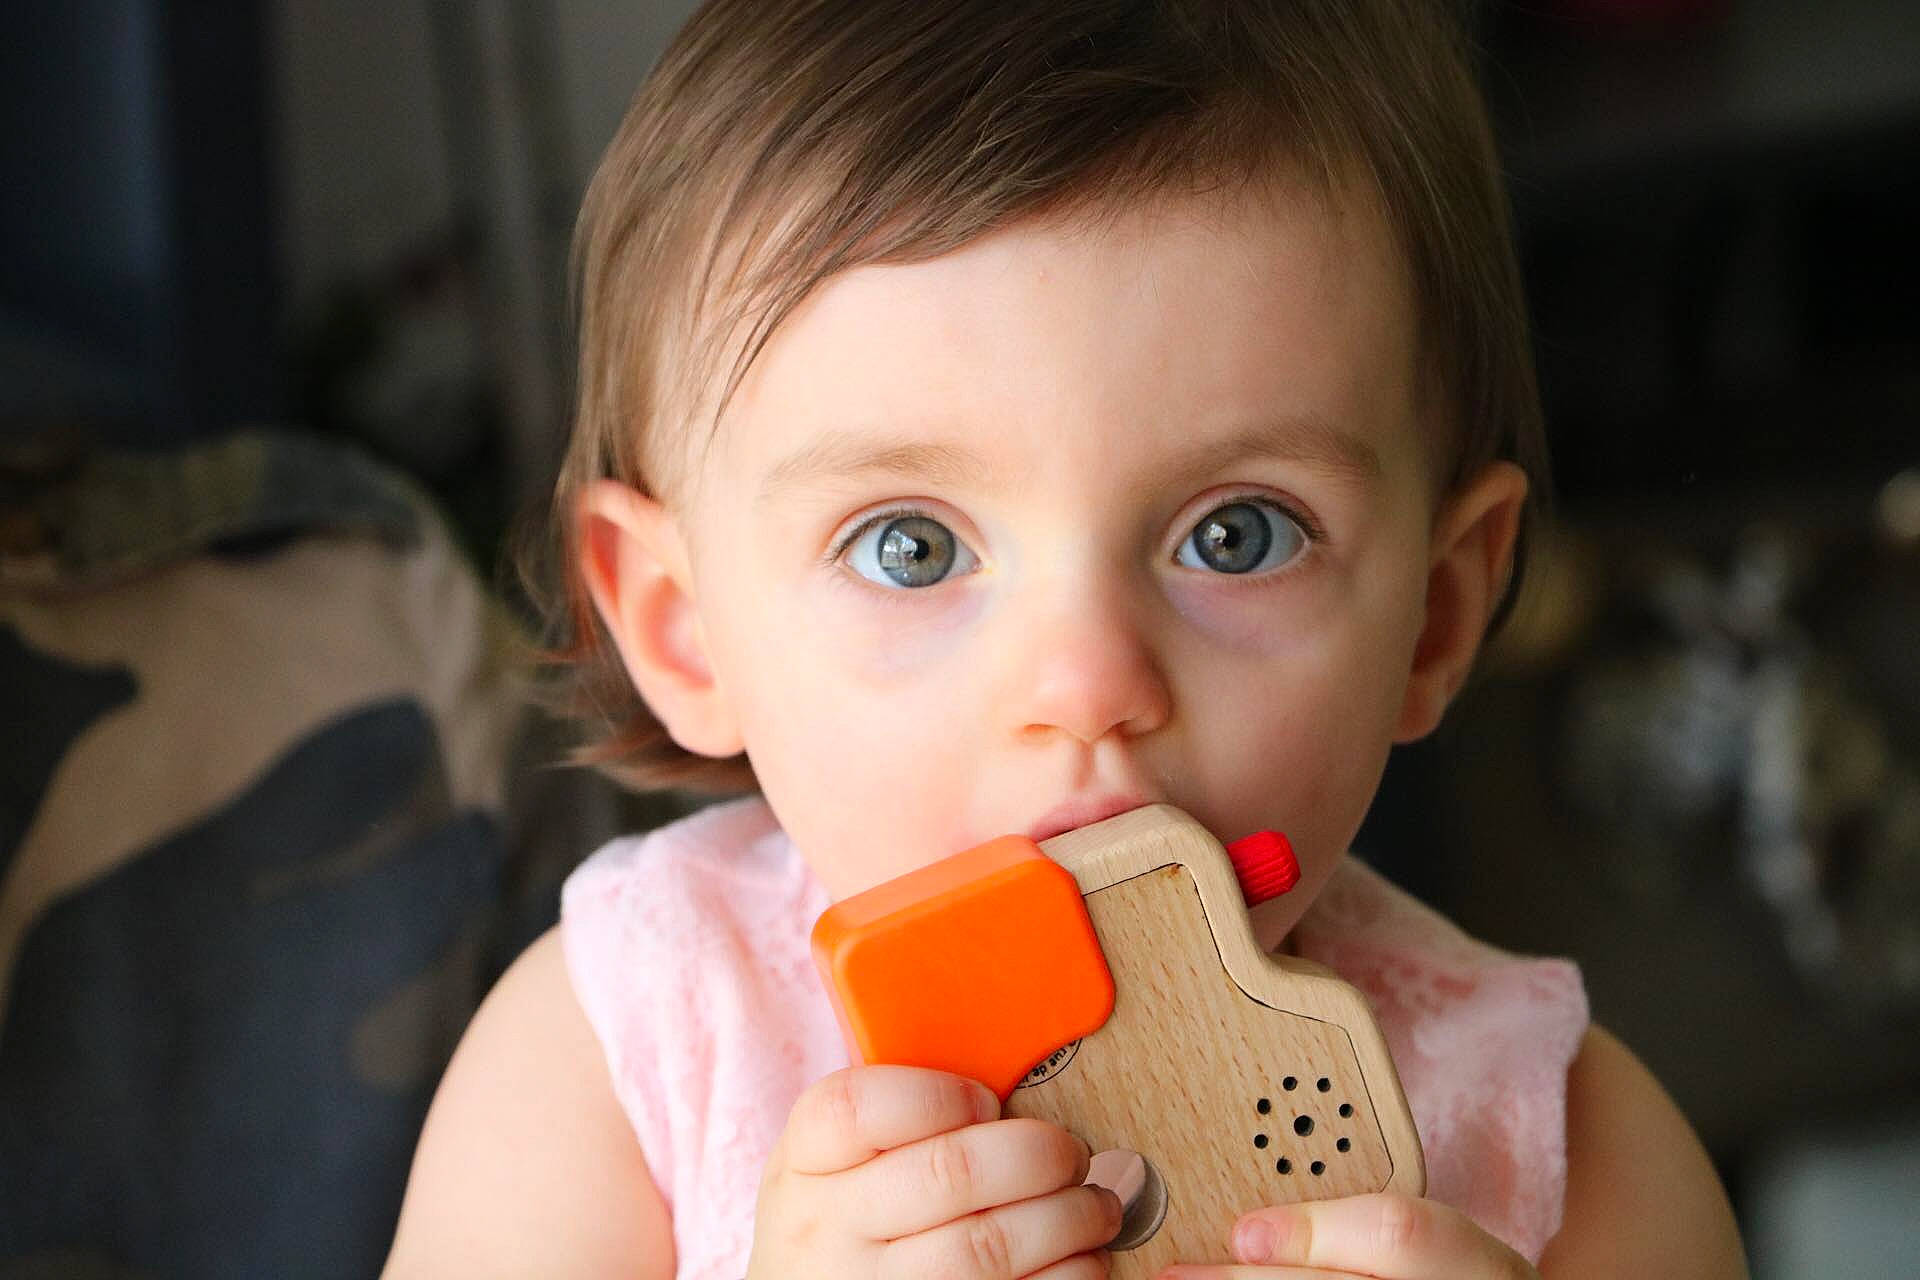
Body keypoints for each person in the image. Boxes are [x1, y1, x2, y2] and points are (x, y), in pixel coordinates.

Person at [383, 0, 1748, 1276]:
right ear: (683, 631)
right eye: (910, 548)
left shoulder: (1571, 1147)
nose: (1091, 685)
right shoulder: (626, 1053)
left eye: (1238, 536)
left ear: (1436, 613)